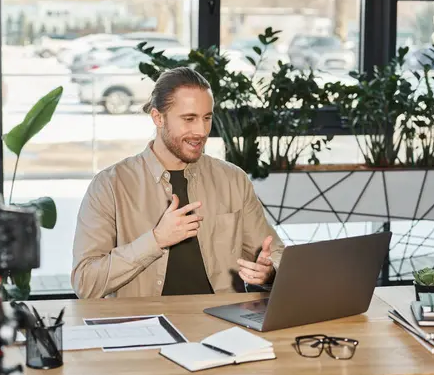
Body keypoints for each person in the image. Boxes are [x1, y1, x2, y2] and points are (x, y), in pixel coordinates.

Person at [71, 67, 285, 299]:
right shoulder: (110, 185)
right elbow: (85, 283)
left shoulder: (233, 179)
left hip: (221, 324)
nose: (201, 131)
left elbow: (275, 253)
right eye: (189, 119)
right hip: (143, 327)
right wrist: (156, 240)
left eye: (207, 118)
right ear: (158, 117)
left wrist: (270, 272)